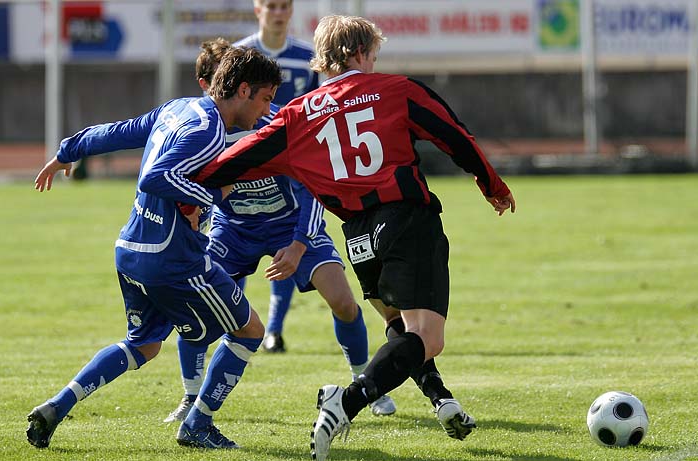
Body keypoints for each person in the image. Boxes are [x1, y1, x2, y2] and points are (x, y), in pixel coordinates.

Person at [192, 15, 516, 461]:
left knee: (401, 328)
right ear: (359, 54)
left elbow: (233, 160)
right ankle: (344, 402)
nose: (375, 61)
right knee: (427, 337)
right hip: (405, 220)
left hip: (359, 239)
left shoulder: (296, 115)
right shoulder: (397, 90)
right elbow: (455, 136)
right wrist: (492, 184)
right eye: (374, 54)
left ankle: (442, 399)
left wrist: (184, 187)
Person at [28, 47, 283, 450]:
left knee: (143, 345)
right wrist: (212, 195)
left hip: (131, 249)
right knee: (250, 329)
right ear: (244, 89)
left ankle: (57, 406)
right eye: (266, 99)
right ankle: (197, 424)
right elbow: (155, 178)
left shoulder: (176, 108)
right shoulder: (209, 129)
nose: (266, 110)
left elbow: (118, 131)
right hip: (172, 258)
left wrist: (67, 151)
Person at [165, 37, 396, 423]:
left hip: (289, 225)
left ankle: (363, 386)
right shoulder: (201, 131)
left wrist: (300, 244)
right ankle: (191, 398)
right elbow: (188, 188)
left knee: (342, 299)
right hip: (233, 230)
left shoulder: (276, 125)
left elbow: (311, 186)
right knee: (199, 309)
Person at [234, 0, 320, 353]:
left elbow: (317, 106)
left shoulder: (306, 56)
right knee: (234, 244)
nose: (278, 12)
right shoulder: (239, 54)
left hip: (293, 167)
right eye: (271, 5)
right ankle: (231, 322)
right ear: (258, 10)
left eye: (284, 6)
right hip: (247, 168)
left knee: (288, 243)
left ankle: (274, 329)